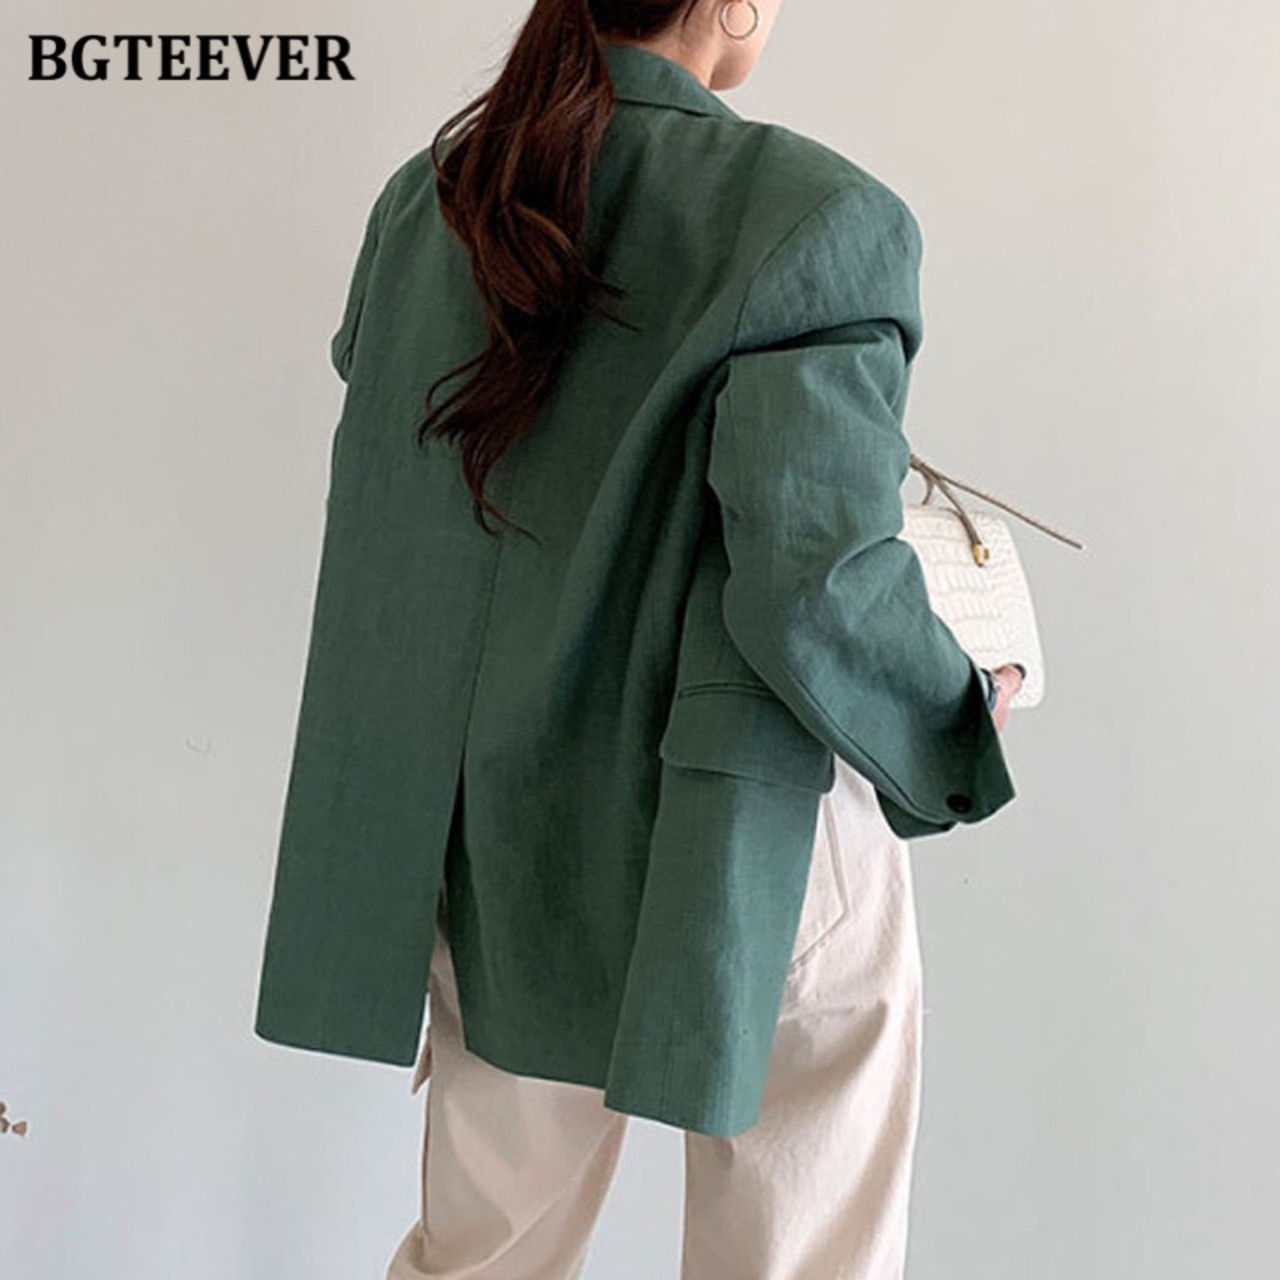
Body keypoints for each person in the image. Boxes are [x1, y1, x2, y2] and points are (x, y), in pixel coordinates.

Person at [252, 1, 1027, 1276]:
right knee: (796, 1253)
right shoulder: (816, 214)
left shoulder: (435, 203)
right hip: (750, 826)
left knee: (483, 1252)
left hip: (495, 827)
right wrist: (951, 715)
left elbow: (413, 500)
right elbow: (818, 578)